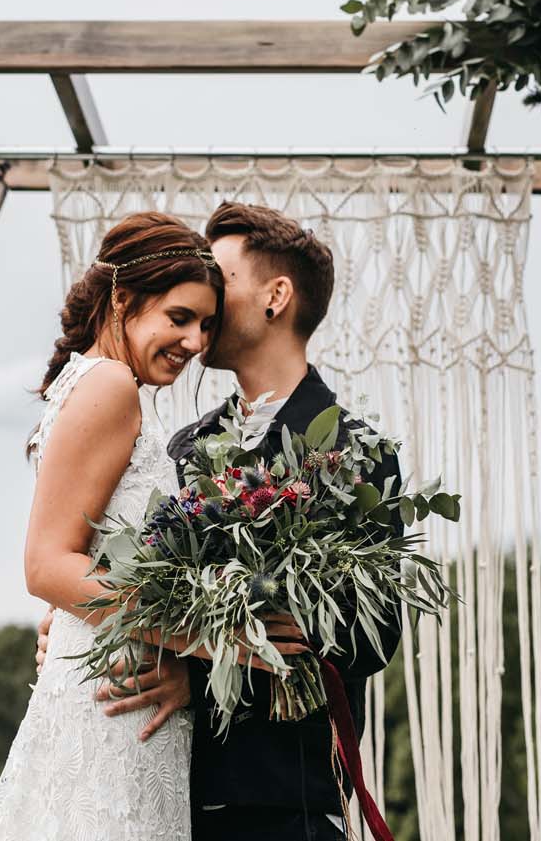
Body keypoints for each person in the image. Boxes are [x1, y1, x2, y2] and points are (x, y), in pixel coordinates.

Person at [35, 202, 404, 841]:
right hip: (161, 785)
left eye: (221, 279)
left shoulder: (354, 452)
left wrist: (201, 669)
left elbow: (367, 639)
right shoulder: (180, 449)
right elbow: (124, 572)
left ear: (276, 296)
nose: (203, 291)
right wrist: (80, 626)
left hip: (278, 802)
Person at [0, 211, 308, 841]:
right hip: (112, 710)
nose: (196, 342)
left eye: (206, 324)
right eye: (179, 318)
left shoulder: (101, 386)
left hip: (123, 696)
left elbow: (87, 561)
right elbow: (47, 565)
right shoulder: (110, 385)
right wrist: (212, 640)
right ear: (123, 300)